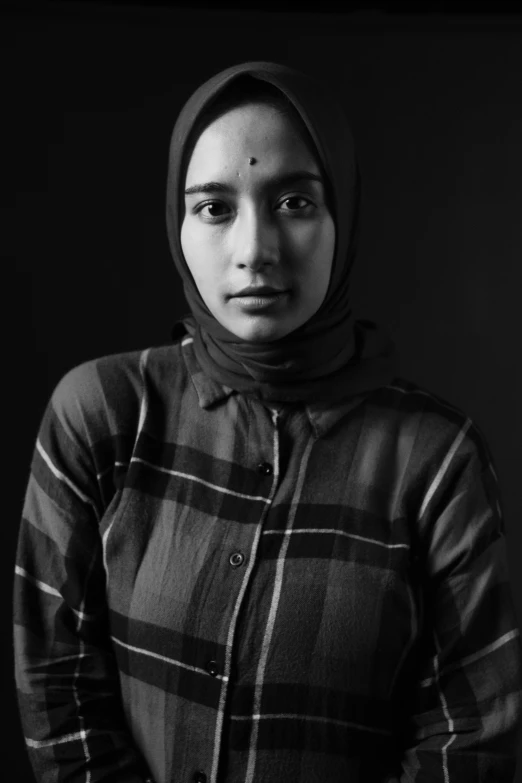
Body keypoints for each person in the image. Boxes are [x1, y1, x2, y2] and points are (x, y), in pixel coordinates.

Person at [14, 61, 521, 783]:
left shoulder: (437, 460)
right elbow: (57, 692)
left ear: (342, 213)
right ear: (177, 222)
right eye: (215, 208)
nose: (255, 250)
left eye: (293, 201)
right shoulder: (101, 416)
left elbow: (471, 736)